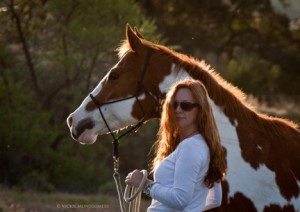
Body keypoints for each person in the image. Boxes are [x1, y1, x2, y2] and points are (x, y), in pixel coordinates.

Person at [125, 79, 226, 211]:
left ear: (200, 109)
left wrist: (144, 184)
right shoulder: (204, 145)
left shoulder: (190, 146)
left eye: (186, 105)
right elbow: (215, 199)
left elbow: (180, 199)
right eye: (174, 104)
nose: (178, 110)